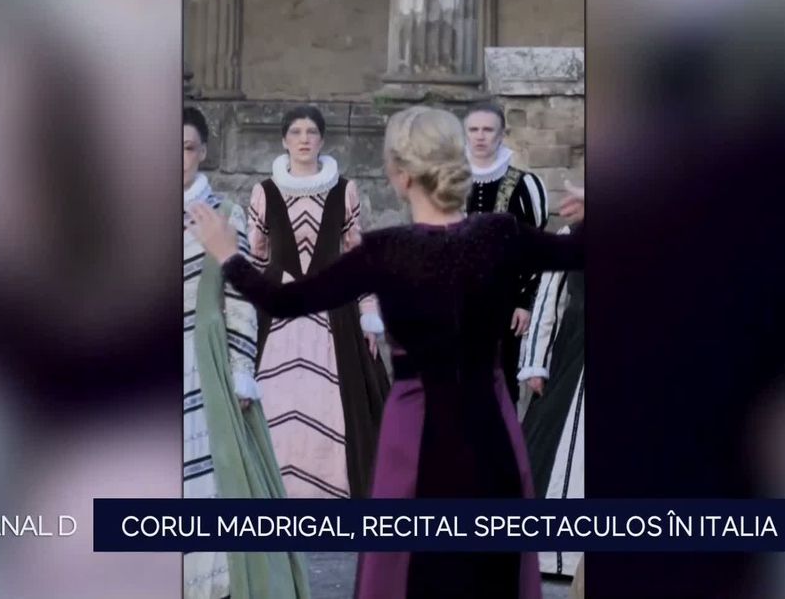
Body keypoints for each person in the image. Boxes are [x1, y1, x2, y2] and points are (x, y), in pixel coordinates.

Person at [189, 106, 585, 599]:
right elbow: (577, 251)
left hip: (415, 429)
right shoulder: (501, 234)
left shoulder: (384, 250)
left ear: (399, 175)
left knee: (411, 569)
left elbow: (284, 300)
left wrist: (228, 254)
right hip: (490, 425)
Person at [182, 107, 310, 599]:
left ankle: (213, 583)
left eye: (187, 148)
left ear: (202, 152)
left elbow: (238, 299)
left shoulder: (224, 214)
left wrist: (240, 369)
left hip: (203, 359)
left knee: (217, 477)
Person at [245, 105, 390, 499]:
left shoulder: (344, 190)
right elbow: (256, 257)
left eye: (311, 132)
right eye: (296, 132)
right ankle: (271, 489)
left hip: (334, 307)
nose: (304, 139)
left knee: (333, 403)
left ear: (323, 140)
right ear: (284, 140)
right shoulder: (264, 192)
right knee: (275, 398)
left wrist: (368, 313)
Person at [463, 101, 551, 403]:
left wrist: (525, 302)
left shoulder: (524, 185)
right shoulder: (448, 182)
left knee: (501, 381)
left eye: (488, 130)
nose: (480, 136)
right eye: (474, 129)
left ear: (501, 134)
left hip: (505, 302)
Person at [517, 223, 585, 580]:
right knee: (553, 442)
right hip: (574, 348)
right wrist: (535, 362)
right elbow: (546, 302)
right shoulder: (572, 234)